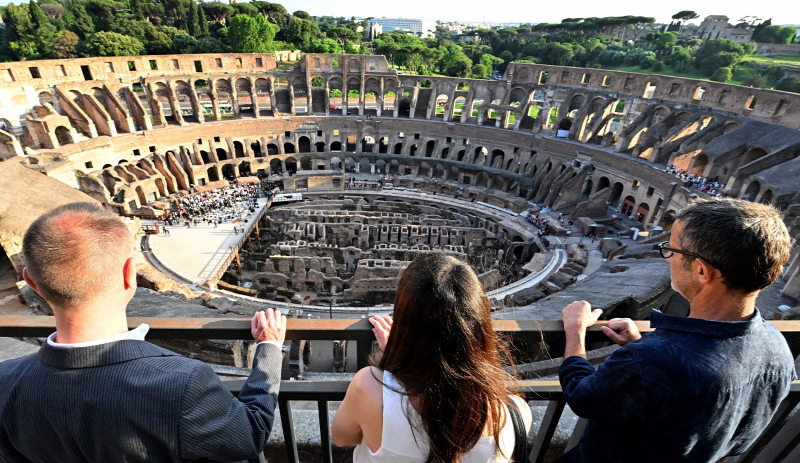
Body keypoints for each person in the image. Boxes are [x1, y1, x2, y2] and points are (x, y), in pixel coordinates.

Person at [0, 202, 286, 462]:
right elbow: (249, 435)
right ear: (129, 273)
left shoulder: (4, 383)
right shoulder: (182, 383)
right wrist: (269, 348)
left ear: (32, 282)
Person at [558, 198, 796, 463]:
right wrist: (641, 347)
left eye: (672, 250)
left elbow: (582, 397)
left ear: (701, 270)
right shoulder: (778, 350)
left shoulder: (652, 361)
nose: (668, 257)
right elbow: (738, 438)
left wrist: (575, 330)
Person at [331, 252, 532, 462]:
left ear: (403, 319)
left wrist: (400, 353)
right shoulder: (515, 414)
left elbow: (342, 438)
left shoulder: (369, 388)